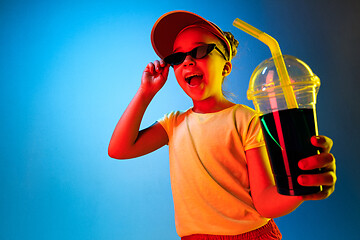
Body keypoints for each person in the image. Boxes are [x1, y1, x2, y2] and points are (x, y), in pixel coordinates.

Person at [108, 10, 336, 240]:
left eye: (199, 51)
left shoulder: (246, 119)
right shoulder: (173, 124)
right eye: (177, 58)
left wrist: (302, 188)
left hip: (251, 235)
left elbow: (265, 202)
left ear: (226, 67)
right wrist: (146, 93)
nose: (187, 61)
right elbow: (119, 149)